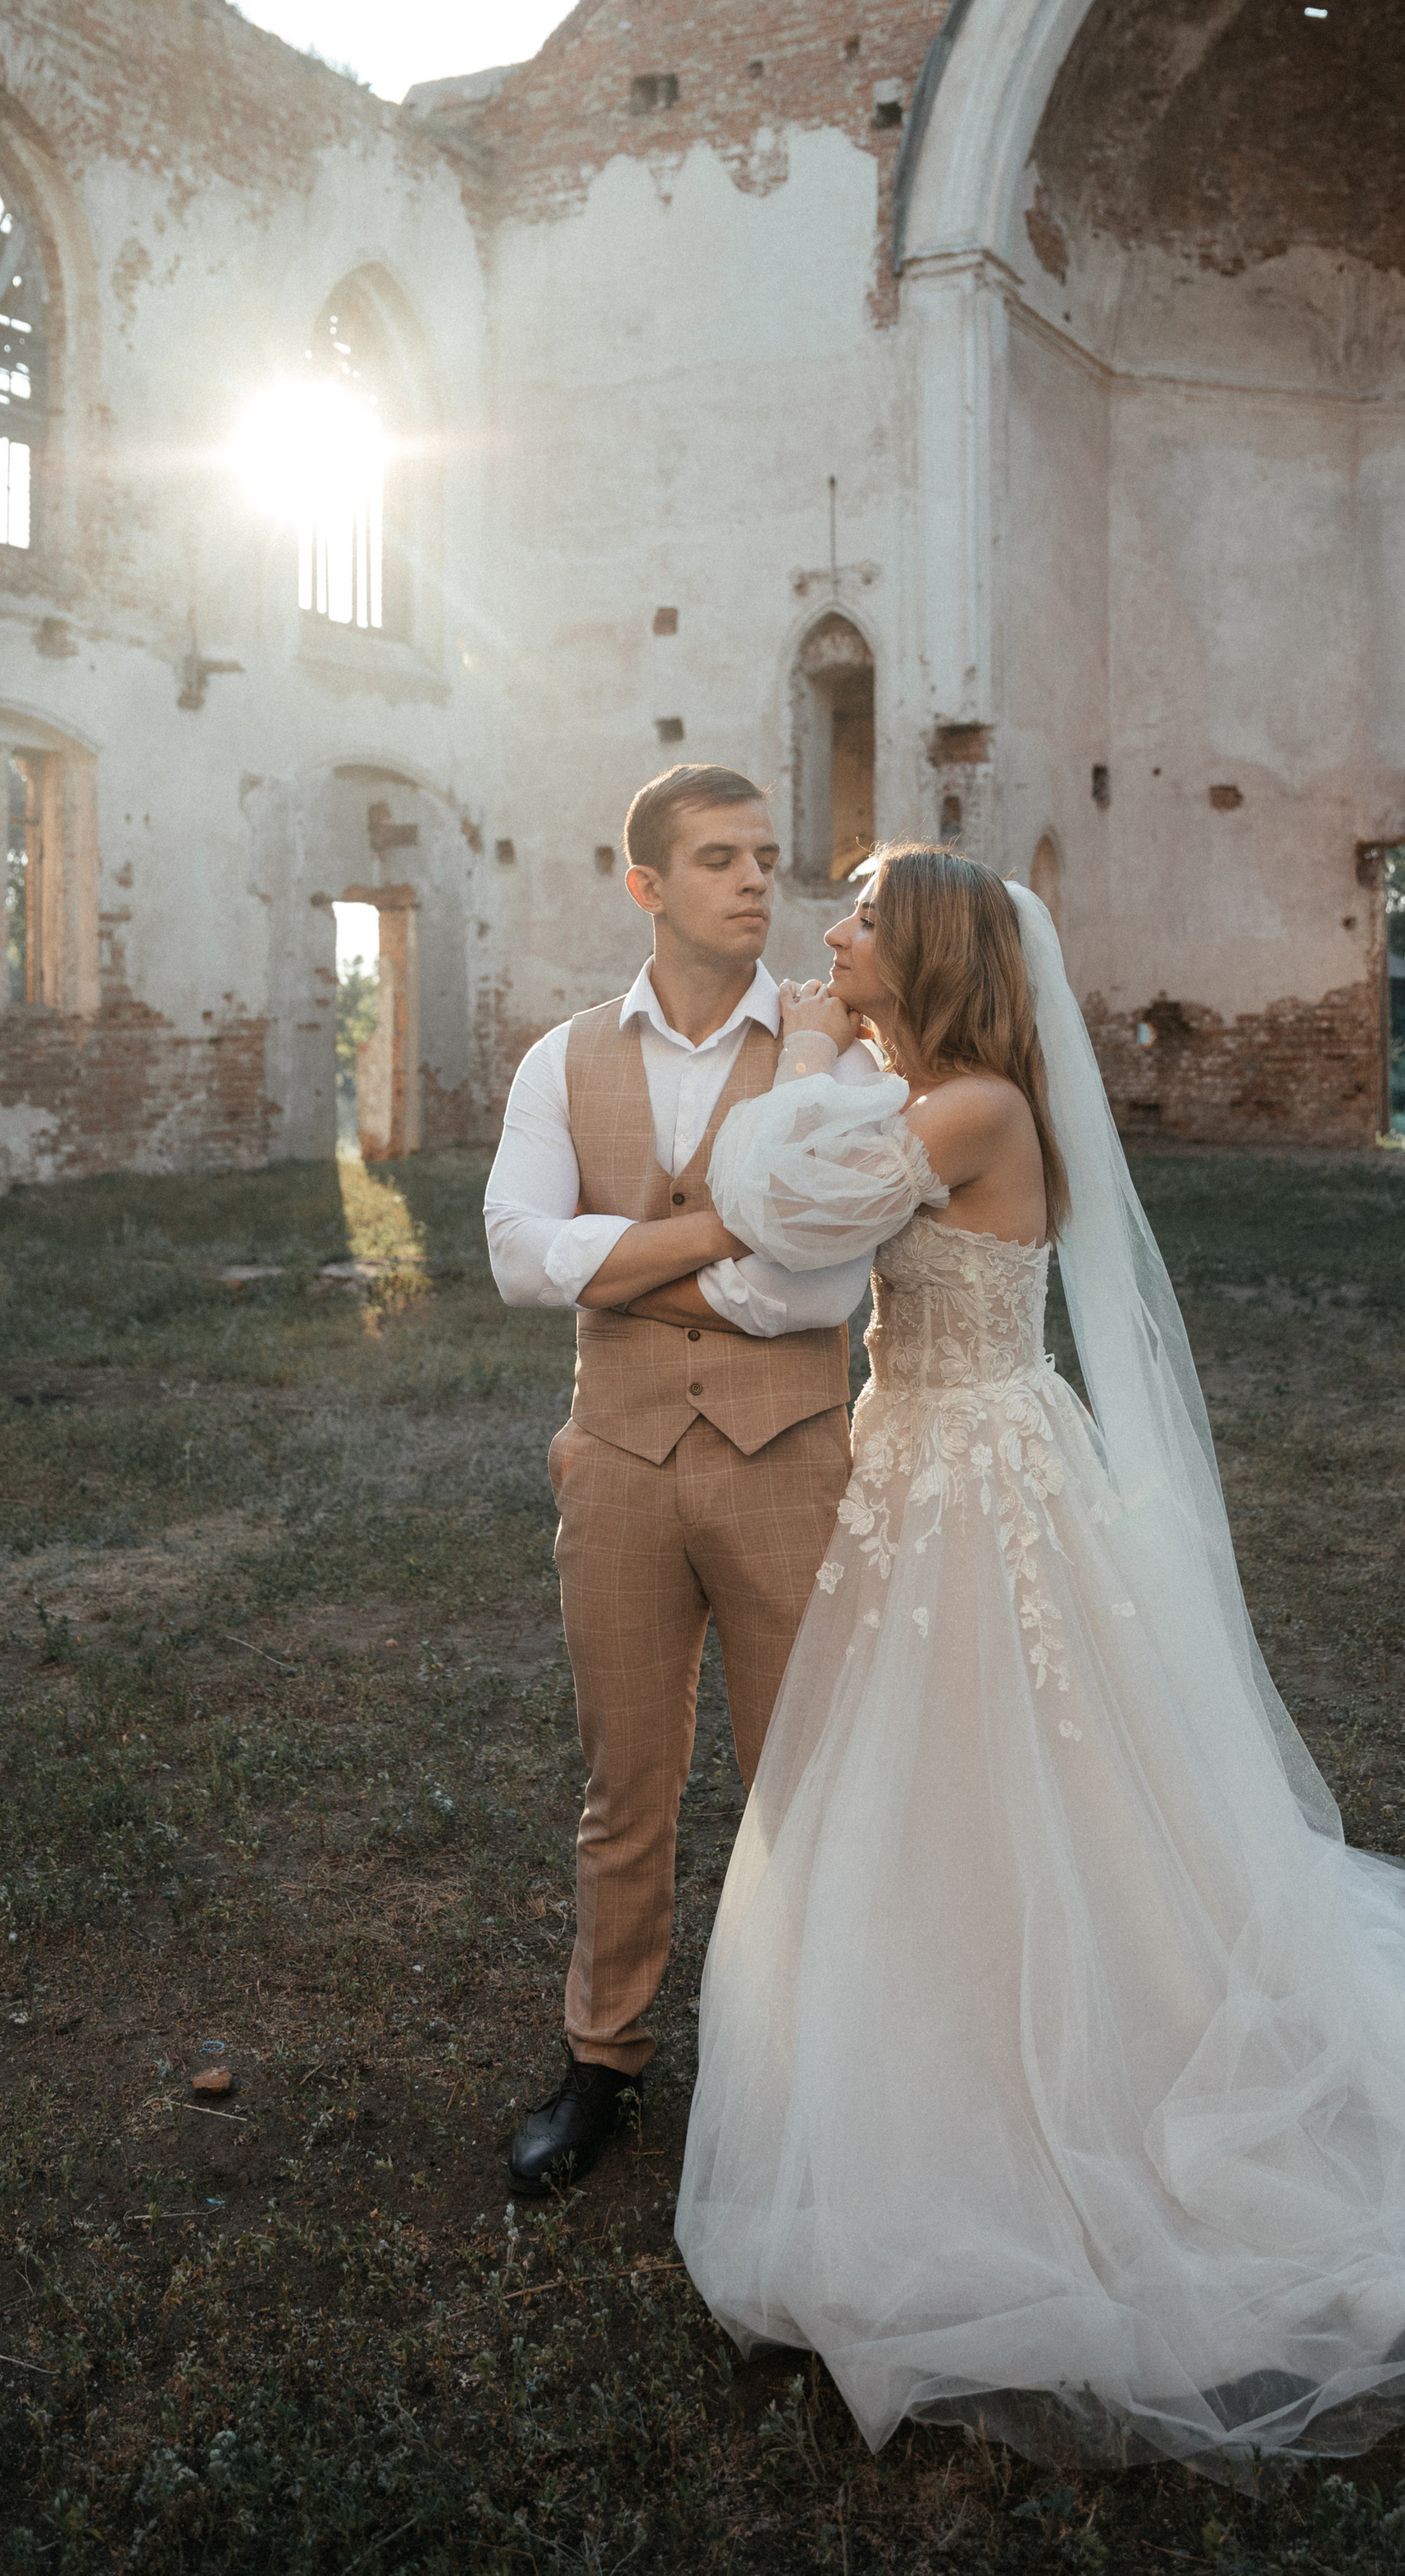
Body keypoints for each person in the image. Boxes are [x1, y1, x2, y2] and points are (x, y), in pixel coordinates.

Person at [675, 844, 1405, 2474]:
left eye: (854, 914)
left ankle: (1083, 2078)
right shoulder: (928, 1088)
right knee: (935, 1785)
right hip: (914, 1457)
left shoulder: (973, 1104)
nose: (825, 931)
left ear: (915, 949)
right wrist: (841, 1057)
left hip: (975, 1472)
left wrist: (797, 1054)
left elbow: (772, 1205)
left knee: (1012, 1765)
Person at [484, 766, 884, 2192]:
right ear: (646, 886)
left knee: (803, 1781)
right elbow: (518, 1256)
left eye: (767, 858)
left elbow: (824, 1280)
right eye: (718, 858)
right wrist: (720, 1233)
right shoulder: (563, 1057)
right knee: (624, 1781)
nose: (756, 881)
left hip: (792, 1461)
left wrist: (627, 1263)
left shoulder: (840, 1054)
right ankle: (603, 2058)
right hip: (619, 1467)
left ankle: (804, 2069)